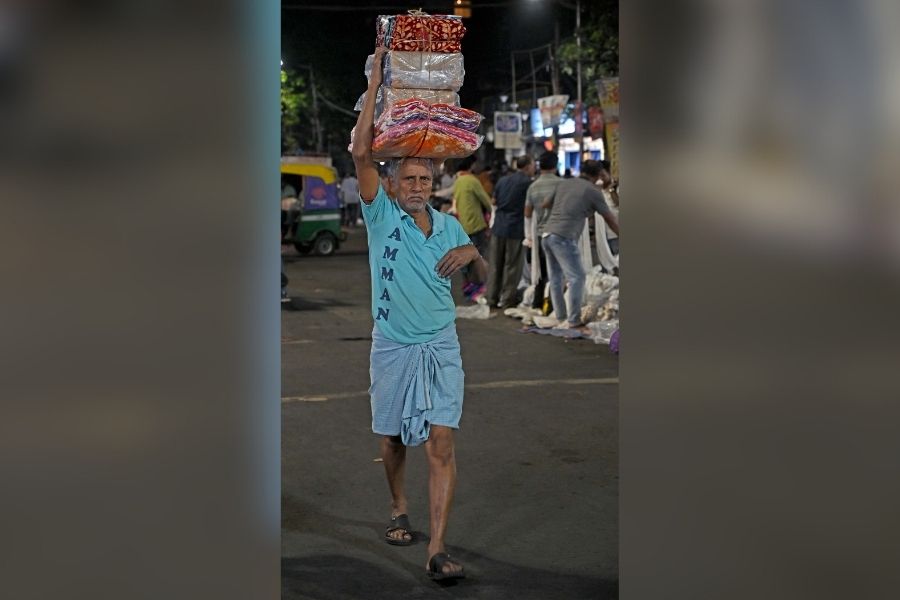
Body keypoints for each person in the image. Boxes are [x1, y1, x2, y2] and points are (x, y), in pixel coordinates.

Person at [351, 46, 487, 583]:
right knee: (390, 440)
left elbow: (477, 285)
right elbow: (363, 153)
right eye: (407, 179)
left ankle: (436, 548)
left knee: (442, 442)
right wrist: (379, 76)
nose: (416, 187)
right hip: (392, 345)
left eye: (425, 180)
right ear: (392, 184)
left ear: (436, 183)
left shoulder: (451, 225)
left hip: (441, 346)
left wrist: (474, 254)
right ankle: (397, 506)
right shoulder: (380, 217)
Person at [541, 159, 619, 328]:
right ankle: (574, 320)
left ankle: (560, 316)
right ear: (598, 175)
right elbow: (610, 218)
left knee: (556, 277)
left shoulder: (564, 183)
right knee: (577, 277)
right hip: (563, 237)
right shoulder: (593, 191)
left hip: (547, 234)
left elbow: (545, 204)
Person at [485, 154, 534, 308]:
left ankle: (491, 298)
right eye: (533, 165)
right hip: (515, 228)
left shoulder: (503, 180)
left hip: (499, 227)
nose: (534, 168)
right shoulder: (528, 183)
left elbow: (494, 202)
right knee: (512, 265)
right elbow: (529, 208)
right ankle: (507, 299)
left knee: (495, 264)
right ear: (527, 166)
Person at [524, 151, 563, 314]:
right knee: (558, 272)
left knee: (542, 272)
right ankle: (556, 307)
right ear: (556, 165)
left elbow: (527, 213)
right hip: (560, 234)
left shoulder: (533, 186)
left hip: (541, 236)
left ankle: (538, 304)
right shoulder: (562, 184)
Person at [451, 154, 492, 297]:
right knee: (477, 257)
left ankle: (468, 287)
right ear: (471, 166)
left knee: (465, 259)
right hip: (476, 225)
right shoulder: (472, 180)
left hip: (462, 226)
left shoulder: (458, 181)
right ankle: (477, 289)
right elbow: (486, 201)